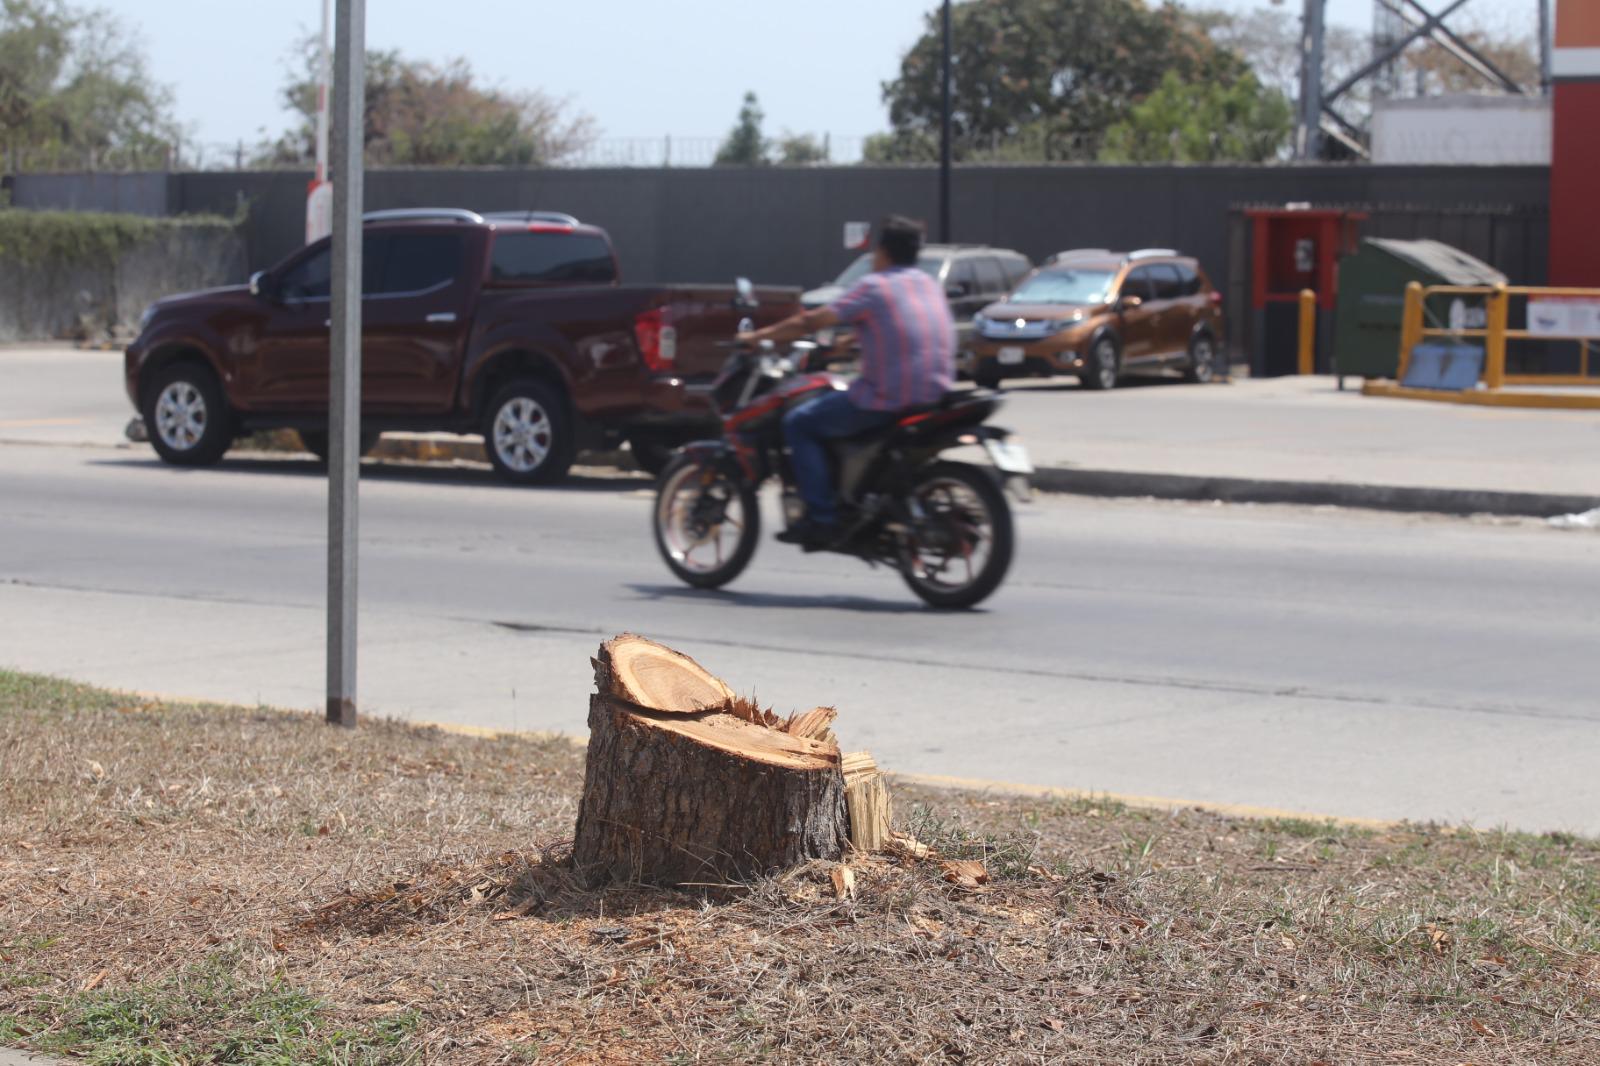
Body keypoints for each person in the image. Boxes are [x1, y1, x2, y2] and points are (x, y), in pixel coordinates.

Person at [739, 215, 955, 547]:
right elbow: (898, 328)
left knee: (799, 423)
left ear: (883, 251)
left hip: (888, 397)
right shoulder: (927, 284)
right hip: (936, 392)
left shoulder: (874, 285)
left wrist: (758, 336)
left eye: (874, 251)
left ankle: (822, 518)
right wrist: (848, 344)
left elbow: (812, 320)